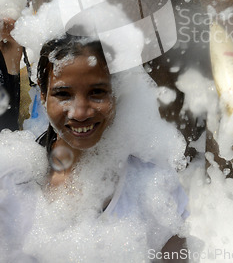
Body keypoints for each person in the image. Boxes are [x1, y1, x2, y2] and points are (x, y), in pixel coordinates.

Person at [0, 32, 187, 262]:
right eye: (63, 94)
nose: (80, 112)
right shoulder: (9, 183)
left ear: (117, 91)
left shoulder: (154, 187)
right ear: (42, 93)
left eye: (97, 92)